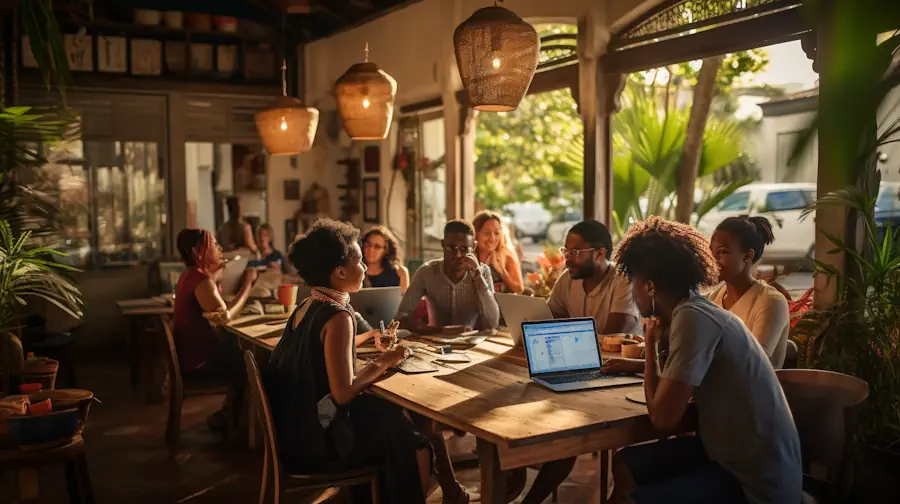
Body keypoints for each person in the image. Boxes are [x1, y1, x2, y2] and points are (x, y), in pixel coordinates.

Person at [262, 219, 472, 504]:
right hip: (319, 445)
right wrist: (386, 360)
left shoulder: (308, 305)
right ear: (339, 272)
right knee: (411, 439)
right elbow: (343, 392)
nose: (363, 268)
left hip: (295, 429)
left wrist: (368, 336)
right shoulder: (339, 317)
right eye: (359, 262)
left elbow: (320, 347)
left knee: (390, 417)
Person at [604, 216, 802, 504]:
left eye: (632, 282)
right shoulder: (693, 309)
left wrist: (649, 341)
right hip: (723, 453)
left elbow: (663, 419)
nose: (632, 293)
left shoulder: (693, 318)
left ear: (650, 286)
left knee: (636, 499)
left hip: (756, 482)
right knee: (625, 465)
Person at [173, 228, 257, 429]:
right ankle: (237, 423)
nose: (220, 249)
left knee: (236, 348)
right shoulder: (201, 280)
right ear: (197, 251)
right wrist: (247, 285)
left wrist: (215, 276)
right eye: (214, 244)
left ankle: (230, 416)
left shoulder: (190, 275)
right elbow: (224, 317)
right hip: (198, 364)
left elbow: (218, 308)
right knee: (250, 362)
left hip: (189, 356)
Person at [707, 216, 791, 368]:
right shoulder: (713, 298)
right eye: (711, 252)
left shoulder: (771, 301)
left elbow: (753, 365)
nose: (712, 260)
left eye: (722, 252)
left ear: (747, 256)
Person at [395, 220, 500, 331]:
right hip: (435, 341)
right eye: (451, 248)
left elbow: (493, 322)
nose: (457, 255)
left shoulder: (483, 272)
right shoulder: (426, 272)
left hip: (470, 343)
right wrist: (416, 325)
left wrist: (478, 276)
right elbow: (401, 315)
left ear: (473, 247)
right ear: (443, 244)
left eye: (464, 249)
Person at [548, 220, 642, 335]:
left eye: (575, 252)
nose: (568, 260)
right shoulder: (566, 279)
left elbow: (613, 337)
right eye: (566, 251)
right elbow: (547, 319)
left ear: (600, 254)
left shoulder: (623, 280)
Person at [473, 211, 524, 293]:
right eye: (486, 233)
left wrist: (502, 272)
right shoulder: (468, 256)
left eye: (497, 233)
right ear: (475, 233)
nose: (492, 239)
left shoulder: (506, 256)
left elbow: (519, 289)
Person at [361, 226, 411, 292]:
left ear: (386, 250)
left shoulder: (398, 273)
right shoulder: (354, 270)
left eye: (377, 246)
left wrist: (404, 277)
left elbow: (406, 300)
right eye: (368, 245)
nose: (371, 249)